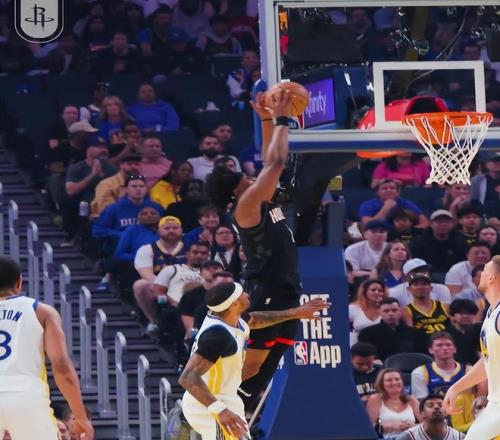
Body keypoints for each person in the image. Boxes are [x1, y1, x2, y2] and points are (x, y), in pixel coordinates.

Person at [203, 89, 301, 410]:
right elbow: (276, 162)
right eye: (245, 178)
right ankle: (208, 408)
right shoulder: (246, 206)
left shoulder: (256, 199)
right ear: (236, 191)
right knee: (251, 367)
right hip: (267, 288)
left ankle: (240, 414)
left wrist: (266, 121)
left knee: (265, 369)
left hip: (285, 287)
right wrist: (282, 119)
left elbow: (269, 161)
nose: (251, 177)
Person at [179, 281, 329, 440]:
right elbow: (187, 378)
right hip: (208, 403)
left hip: (227, 398)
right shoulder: (218, 335)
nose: (247, 294)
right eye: (242, 293)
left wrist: (295, 313)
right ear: (234, 304)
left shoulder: (231, 317)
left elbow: (255, 319)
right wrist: (219, 410)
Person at [0, 257, 94, 439]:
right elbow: (61, 367)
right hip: (27, 399)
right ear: (19, 282)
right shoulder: (41, 311)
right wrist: (81, 417)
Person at [444, 256, 500, 439]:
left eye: (485, 270)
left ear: (491, 277)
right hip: (495, 403)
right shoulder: (491, 312)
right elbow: (489, 361)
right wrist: (456, 387)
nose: (481, 274)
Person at [133, 215, 186, 334]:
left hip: (186, 286)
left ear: (181, 230)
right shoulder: (147, 249)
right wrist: (167, 288)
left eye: (175, 228)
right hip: (160, 288)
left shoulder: (191, 248)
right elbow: (145, 273)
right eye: (166, 228)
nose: (171, 230)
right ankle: (154, 321)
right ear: (158, 230)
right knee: (140, 285)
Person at [359, 297, 428, 361]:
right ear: (379, 312)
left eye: (394, 310)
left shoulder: (416, 334)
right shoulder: (367, 334)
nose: (391, 313)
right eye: (386, 311)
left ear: (400, 311)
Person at [411, 332, 470, 399]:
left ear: (454, 349)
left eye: (448, 345)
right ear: (430, 350)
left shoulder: (469, 370)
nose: (444, 348)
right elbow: (422, 401)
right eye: (439, 345)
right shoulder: (420, 372)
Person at [366, 368, 421, 439]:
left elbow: (427, 424)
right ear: (381, 384)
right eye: (389, 380)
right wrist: (390, 427)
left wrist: (411, 427)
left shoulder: (411, 399)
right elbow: (368, 428)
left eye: (397, 379)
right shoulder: (376, 399)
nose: (394, 382)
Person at [410, 210, 467, 276]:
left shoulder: (459, 241)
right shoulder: (419, 241)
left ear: (452, 224)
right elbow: (416, 263)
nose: (443, 224)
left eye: (447, 221)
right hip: (428, 275)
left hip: (454, 275)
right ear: (431, 224)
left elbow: (463, 262)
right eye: (439, 221)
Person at [179, 260, 224, 338]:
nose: (212, 271)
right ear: (200, 273)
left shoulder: (232, 293)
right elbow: (190, 323)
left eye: (215, 268)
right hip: (201, 335)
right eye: (207, 269)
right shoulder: (190, 295)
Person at [359, 179, 429, 228]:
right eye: (384, 188)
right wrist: (386, 208)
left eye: (392, 188)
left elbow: (425, 223)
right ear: (378, 192)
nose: (389, 190)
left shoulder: (405, 203)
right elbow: (367, 225)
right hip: (379, 233)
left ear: (398, 192)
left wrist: (410, 231)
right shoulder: (368, 205)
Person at [90, 153, 142, 218]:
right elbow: (106, 209)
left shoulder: (141, 184)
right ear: (121, 165)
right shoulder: (107, 184)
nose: (133, 167)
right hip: (107, 219)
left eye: (137, 164)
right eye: (129, 164)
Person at [395, 395, 464, 440]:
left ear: (446, 412)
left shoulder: (459, 437)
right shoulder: (408, 437)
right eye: (430, 405)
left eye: (440, 405)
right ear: (422, 413)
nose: (436, 407)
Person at [349, 280, 387, 345]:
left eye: (380, 290)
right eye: (373, 290)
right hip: (359, 345)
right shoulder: (353, 308)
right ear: (365, 292)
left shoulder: (387, 308)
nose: (377, 292)